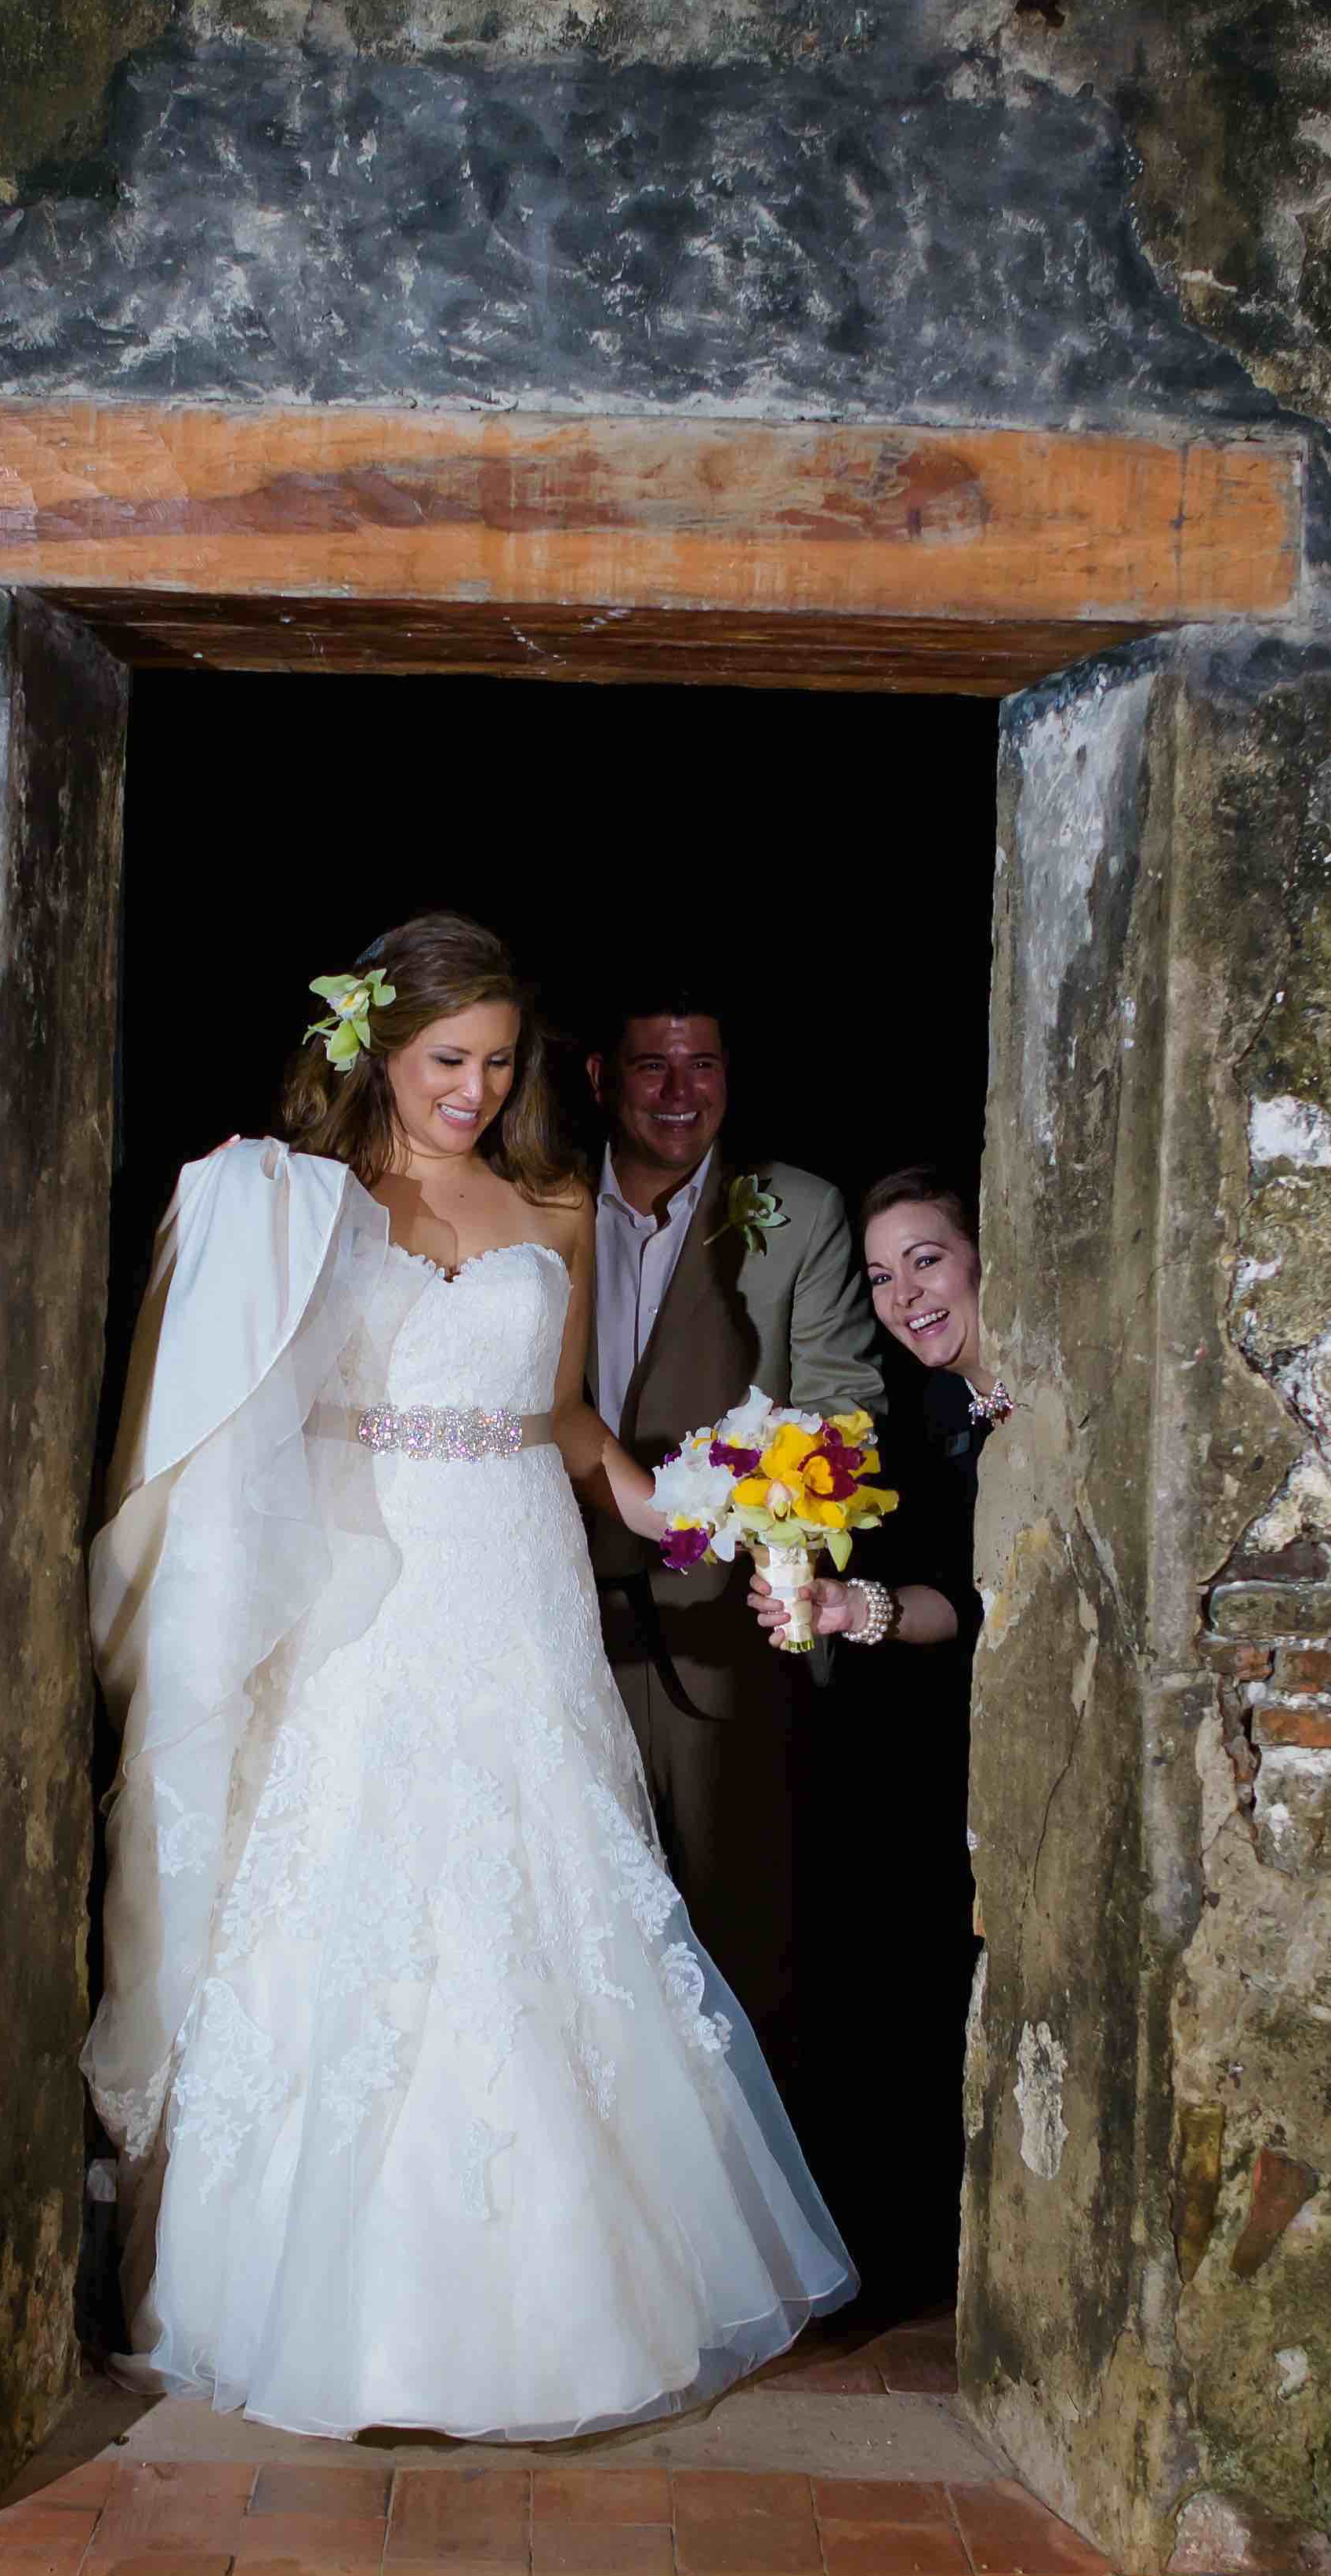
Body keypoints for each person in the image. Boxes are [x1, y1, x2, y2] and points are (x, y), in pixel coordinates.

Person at [82, 914, 854, 2441]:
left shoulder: (552, 1201)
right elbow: (233, 1399)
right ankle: (324, 2310)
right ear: (376, 1048)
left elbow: (561, 1415)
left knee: (535, 1890)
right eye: (448, 1060)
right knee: (355, 1886)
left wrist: (676, 1502)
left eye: (499, 1064)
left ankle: (571, 2310)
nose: (475, 1092)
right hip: (361, 1579)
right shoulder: (298, 1200)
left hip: (512, 1572)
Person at [575, 989, 880, 2050]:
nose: (679, 1091)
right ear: (601, 1078)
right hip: (555, 1618)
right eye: (652, 1065)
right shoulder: (542, 1198)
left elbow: (846, 1410)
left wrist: (780, 1527)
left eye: (701, 1065)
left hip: (725, 1632)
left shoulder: (798, 1208)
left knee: (738, 1966)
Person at [781, 1170, 1007, 2313]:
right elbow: (956, 1603)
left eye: (926, 1260)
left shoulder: (1047, 1392)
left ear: (982, 1254)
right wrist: (846, 1608)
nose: (905, 1294)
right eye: (880, 1276)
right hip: (952, 1730)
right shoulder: (926, 1415)